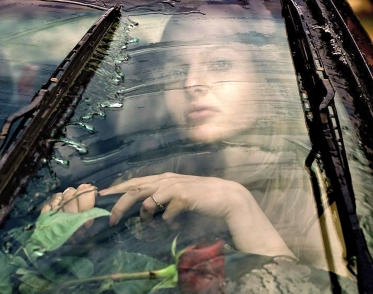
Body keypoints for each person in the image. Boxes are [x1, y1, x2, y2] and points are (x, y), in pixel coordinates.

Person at [41, 0, 350, 279]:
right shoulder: (154, 170)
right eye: (177, 69)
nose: (192, 83)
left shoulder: (313, 186)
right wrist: (70, 222)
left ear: (266, 77)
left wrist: (237, 205)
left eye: (220, 63)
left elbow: (336, 285)